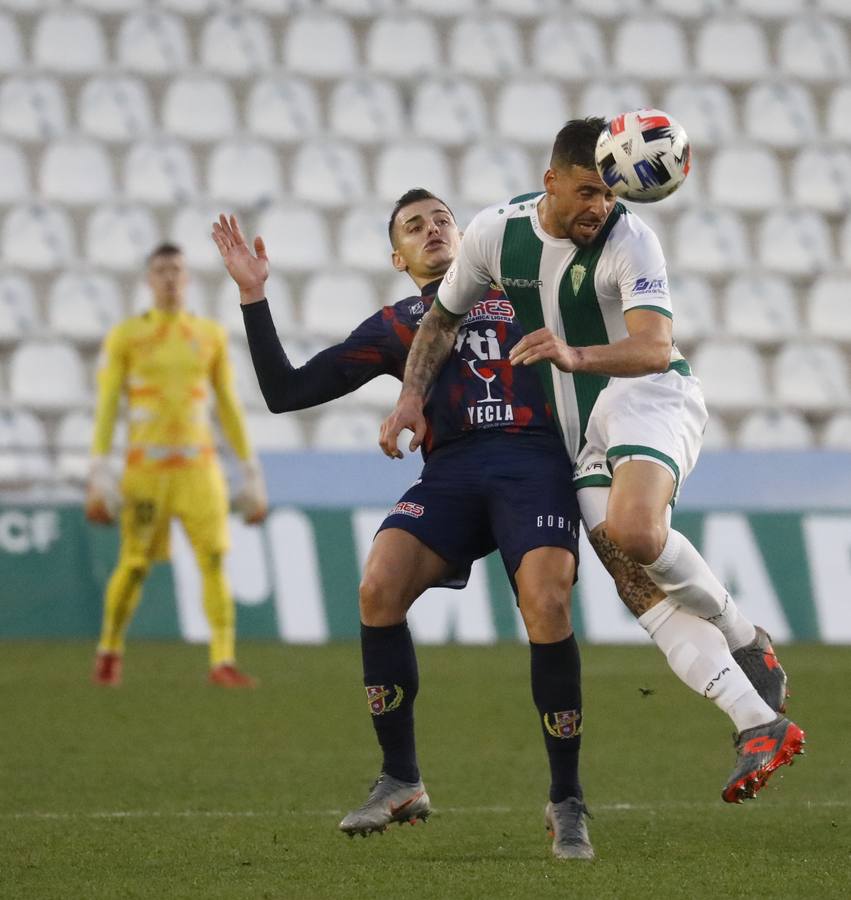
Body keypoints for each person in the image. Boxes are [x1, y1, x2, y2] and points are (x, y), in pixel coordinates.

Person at [380, 119, 805, 805]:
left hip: (646, 397)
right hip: (579, 433)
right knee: (634, 583)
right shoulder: (496, 232)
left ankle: (740, 634)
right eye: (584, 192)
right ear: (548, 182)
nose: (597, 207)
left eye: (606, 193)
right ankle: (756, 722)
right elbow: (440, 320)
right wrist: (410, 397)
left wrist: (573, 355)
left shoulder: (631, 239)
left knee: (634, 532)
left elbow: (655, 346)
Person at [212, 191, 593, 860]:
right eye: (414, 227)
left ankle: (566, 800)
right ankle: (400, 778)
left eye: (442, 218)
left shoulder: (524, 290)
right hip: (451, 472)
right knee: (377, 587)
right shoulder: (397, 323)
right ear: (398, 257)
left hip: (532, 462)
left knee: (547, 600)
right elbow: (285, 393)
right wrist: (252, 296)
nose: (433, 230)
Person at [86, 242, 268, 689]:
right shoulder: (126, 336)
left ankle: (222, 660)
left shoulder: (209, 335)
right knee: (133, 565)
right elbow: (108, 405)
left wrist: (251, 473)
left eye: (177, 270)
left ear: (187, 279)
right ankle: (109, 649)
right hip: (145, 469)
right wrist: (98, 471)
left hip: (198, 467)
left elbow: (228, 406)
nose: (170, 277)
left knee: (214, 560)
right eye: (162, 270)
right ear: (150, 279)